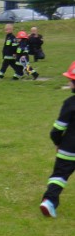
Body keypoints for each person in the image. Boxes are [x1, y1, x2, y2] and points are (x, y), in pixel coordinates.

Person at [39, 61, 75, 218]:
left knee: (59, 176)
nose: (69, 82)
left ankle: (49, 202)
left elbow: (58, 129)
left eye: (71, 80)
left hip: (68, 149)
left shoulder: (69, 104)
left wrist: (58, 142)